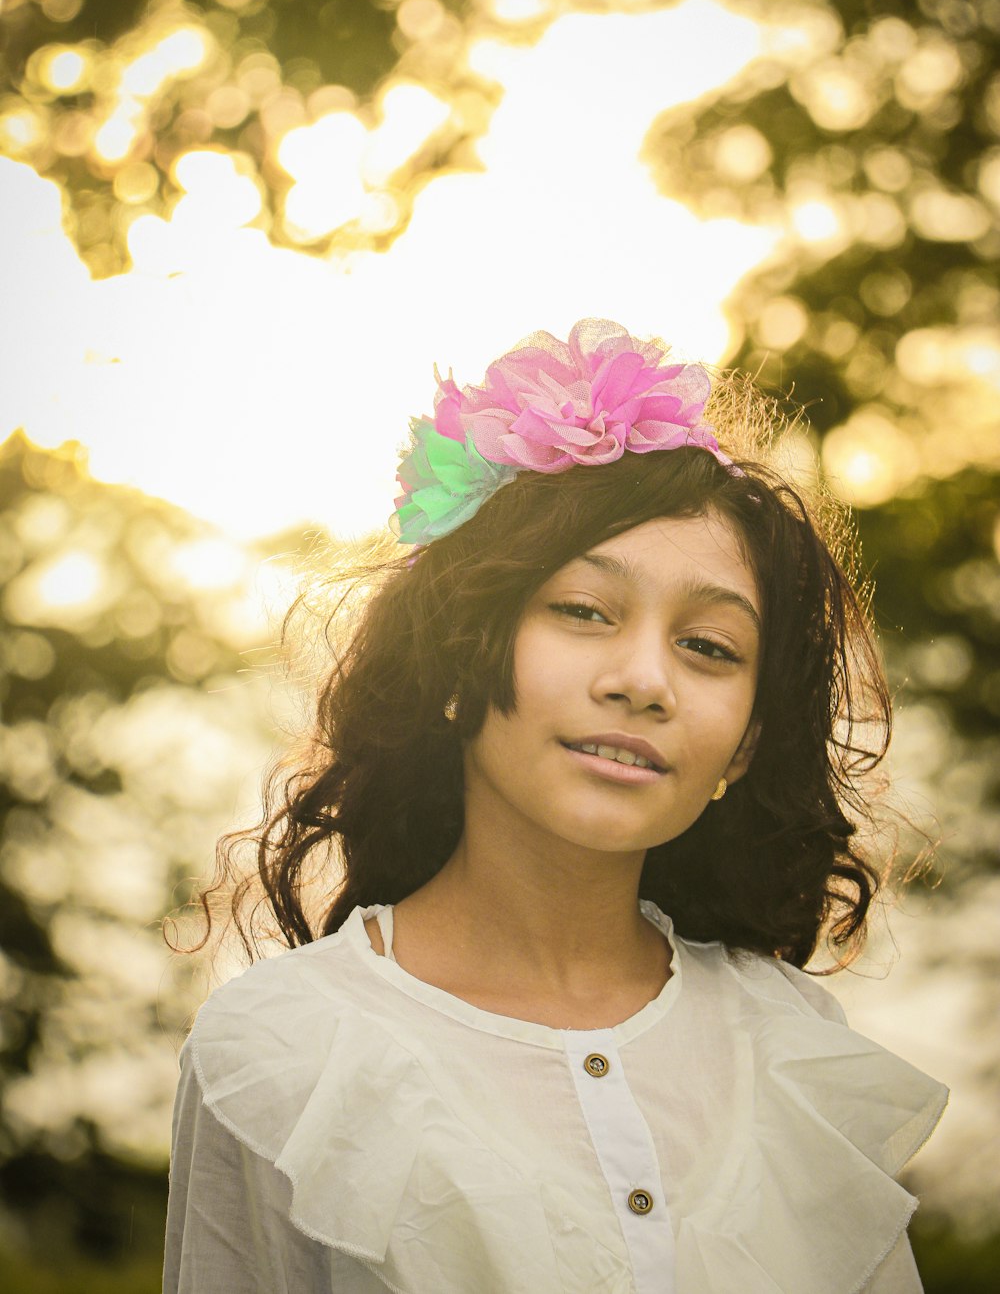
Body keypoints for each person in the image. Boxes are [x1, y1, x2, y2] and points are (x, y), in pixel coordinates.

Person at [163, 319, 948, 1294]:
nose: (643, 679)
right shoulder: (280, 1049)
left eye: (709, 647)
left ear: (744, 745)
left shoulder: (794, 1043)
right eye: (583, 611)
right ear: (458, 657)